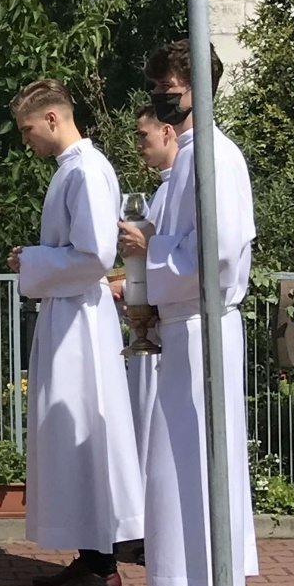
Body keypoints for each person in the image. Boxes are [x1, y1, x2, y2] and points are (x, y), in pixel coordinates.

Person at [119, 40, 258, 586]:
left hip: (205, 328)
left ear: (197, 87)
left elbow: (221, 252)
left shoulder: (217, 159)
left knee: (207, 469)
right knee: (183, 474)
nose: (161, 100)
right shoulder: (190, 161)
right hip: (183, 326)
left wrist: (152, 255)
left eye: (169, 89)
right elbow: (182, 245)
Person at [8, 80, 145, 586]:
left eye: (28, 130)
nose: (27, 142)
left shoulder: (86, 170)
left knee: (81, 426)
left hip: (82, 321)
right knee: (66, 433)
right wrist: (36, 258)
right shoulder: (74, 171)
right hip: (69, 314)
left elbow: (92, 254)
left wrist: (37, 262)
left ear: (52, 119)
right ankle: (90, 555)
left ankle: (101, 560)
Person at [110, 107, 179, 470]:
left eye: (143, 135)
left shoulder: (178, 189)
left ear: (167, 132)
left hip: (170, 326)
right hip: (154, 322)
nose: (138, 144)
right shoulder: (165, 190)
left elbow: (182, 257)